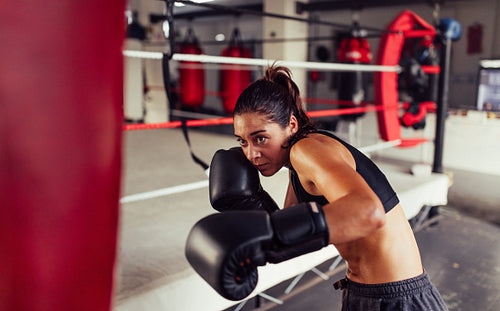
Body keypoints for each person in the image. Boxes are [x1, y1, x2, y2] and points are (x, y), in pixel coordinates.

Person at [185, 65, 448, 310]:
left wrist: (266, 235)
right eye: (242, 141)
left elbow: (369, 211)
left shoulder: (306, 150)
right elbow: (291, 236)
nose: (252, 154)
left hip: (397, 299)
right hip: (365, 292)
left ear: (291, 124)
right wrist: (251, 208)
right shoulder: (297, 166)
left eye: (261, 138)